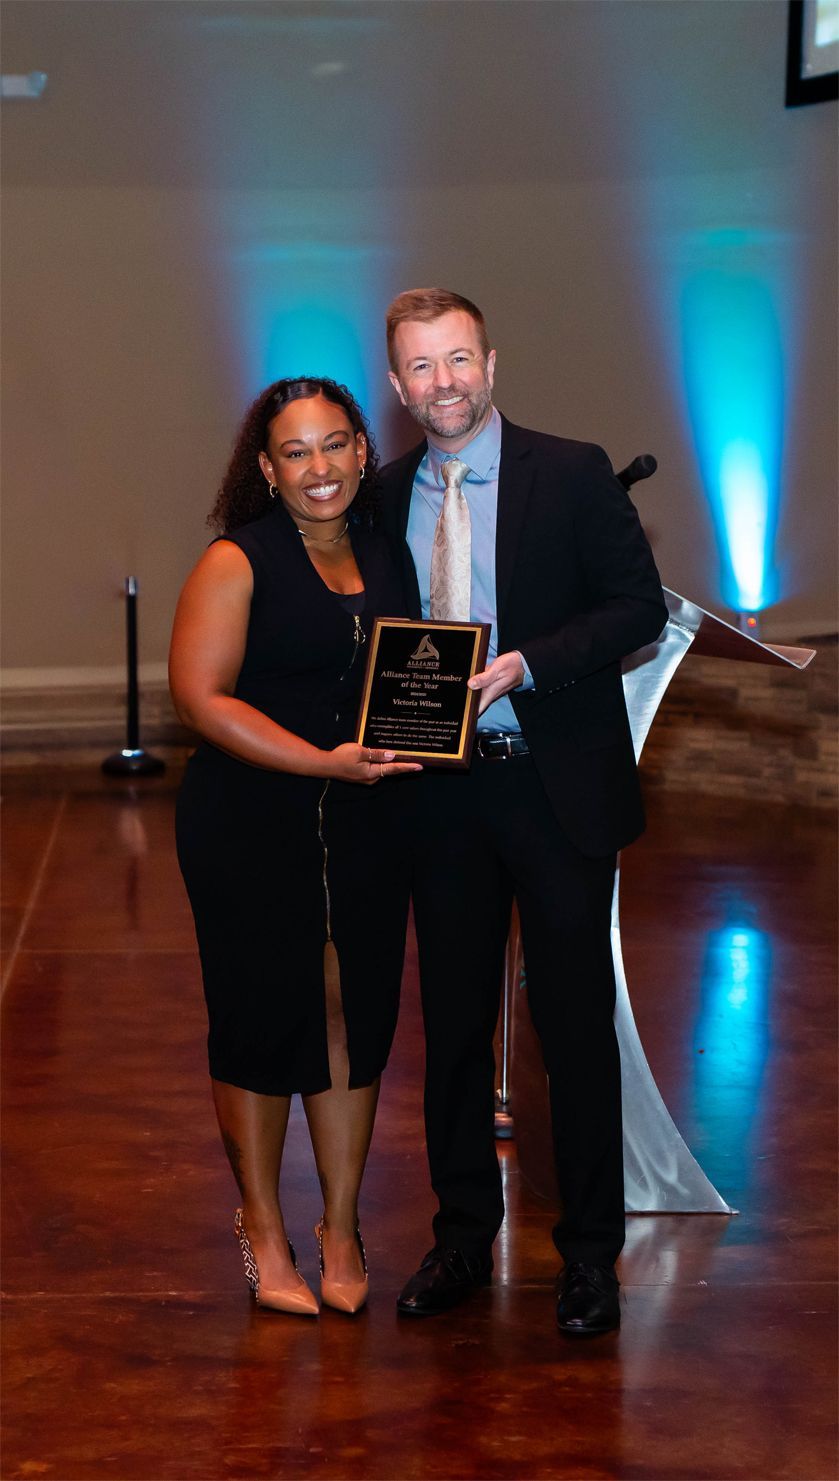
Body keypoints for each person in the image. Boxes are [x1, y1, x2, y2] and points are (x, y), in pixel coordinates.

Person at [380, 289, 668, 1334]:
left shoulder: (574, 470)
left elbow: (637, 606)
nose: (441, 382)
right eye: (419, 366)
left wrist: (529, 665)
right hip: (438, 796)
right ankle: (461, 1235)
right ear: (398, 384)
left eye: (456, 358)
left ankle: (589, 1256)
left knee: (572, 1026)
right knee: (450, 1025)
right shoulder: (378, 495)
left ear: (489, 364)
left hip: (553, 787)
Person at [170, 377, 420, 1317]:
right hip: (251, 824)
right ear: (267, 469)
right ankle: (265, 1229)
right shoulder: (237, 561)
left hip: (367, 819)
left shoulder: (389, 554)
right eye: (295, 451)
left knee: (352, 1017)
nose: (319, 468)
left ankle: (343, 1225)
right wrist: (322, 760)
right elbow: (202, 699)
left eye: (333, 445)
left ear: (363, 450)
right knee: (262, 1019)